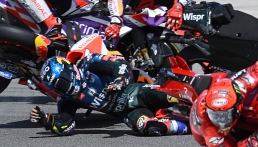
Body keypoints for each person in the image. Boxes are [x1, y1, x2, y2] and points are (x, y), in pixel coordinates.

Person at [29, 53, 190, 136]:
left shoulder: (89, 64)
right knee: (149, 128)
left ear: (69, 70)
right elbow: (67, 126)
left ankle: (199, 100)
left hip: (136, 90)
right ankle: (192, 127)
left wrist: (120, 80)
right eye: (58, 89)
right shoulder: (67, 100)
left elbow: (121, 64)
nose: (63, 90)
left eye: (62, 84)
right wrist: (48, 122)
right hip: (128, 113)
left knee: (171, 97)